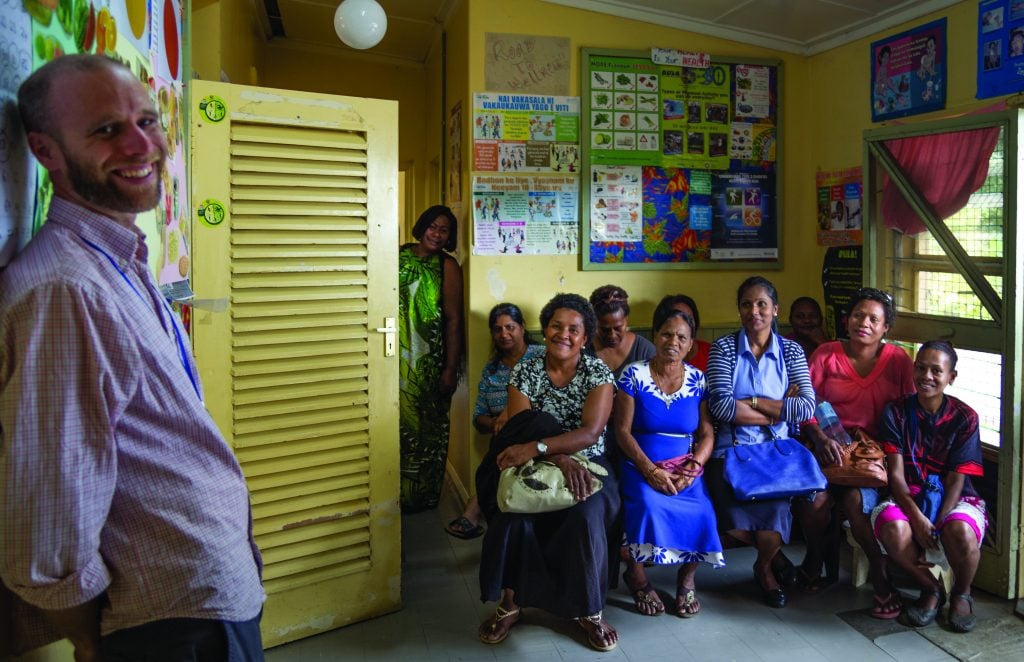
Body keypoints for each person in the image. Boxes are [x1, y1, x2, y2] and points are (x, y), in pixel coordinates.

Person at [0, 55, 264, 661]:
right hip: (168, 620)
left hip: (200, 591)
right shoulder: (66, 290)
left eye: (147, 120)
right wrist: (88, 638)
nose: (141, 144)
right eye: (105, 130)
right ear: (45, 152)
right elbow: (50, 514)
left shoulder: (118, 256)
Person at [477, 294, 620, 652]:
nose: (564, 334)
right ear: (546, 328)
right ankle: (511, 602)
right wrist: (557, 458)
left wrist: (546, 449)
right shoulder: (525, 369)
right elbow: (523, 427)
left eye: (574, 329)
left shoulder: (597, 373)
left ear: (585, 338)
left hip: (589, 461)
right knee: (513, 514)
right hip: (535, 460)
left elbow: (589, 433)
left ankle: (590, 610)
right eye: (557, 325)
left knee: (586, 512)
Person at [801, 288, 915, 615]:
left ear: (885, 328)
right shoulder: (825, 354)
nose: (863, 323)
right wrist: (821, 439)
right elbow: (806, 406)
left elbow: (908, 412)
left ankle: (880, 575)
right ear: (846, 320)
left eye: (873, 319)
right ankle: (815, 555)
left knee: (853, 499)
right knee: (815, 503)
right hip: (826, 445)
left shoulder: (898, 360)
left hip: (871, 457)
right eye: (858, 315)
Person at [705, 276, 815, 609]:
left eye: (762, 304)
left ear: (775, 310)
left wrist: (749, 402)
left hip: (777, 454)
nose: (754, 311)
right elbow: (721, 406)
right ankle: (777, 558)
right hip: (731, 451)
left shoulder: (792, 350)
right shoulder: (723, 348)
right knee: (729, 514)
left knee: (774, 515)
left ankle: (764, 568)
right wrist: (776, 408)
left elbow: (805, 406)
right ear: (739, 310)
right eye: (747, 304)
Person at [615, 307, 723, 618]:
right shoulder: (633, 375)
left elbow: (706, 433)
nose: (672, 342)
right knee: (648, 506)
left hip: (684, 467)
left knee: (703, 511)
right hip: (640, 465)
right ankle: (636, 576)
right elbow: (622, 432)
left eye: (681, 337)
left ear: (691, 345)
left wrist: (694, 467)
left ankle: (687, 579)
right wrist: (649, 470)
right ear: (654, 337)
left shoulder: (698, 380)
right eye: (666, 334)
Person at [872, 341, 985, 632]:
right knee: (894, 529)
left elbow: (957, 480)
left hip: (955, 497)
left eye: (937, 370)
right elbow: (895, 476)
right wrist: (917, 518)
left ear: (952, 377)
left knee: (959, 529)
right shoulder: (895, 412)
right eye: (921, 368)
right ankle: (932, 588)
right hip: (906, 495)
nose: (927, 376)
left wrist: (937, 522)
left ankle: (962, 593)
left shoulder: (965, 417)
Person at [446, 303, 544, 539]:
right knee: (504, 442)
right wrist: (495, 424)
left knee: (511, 435)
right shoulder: (492, 370)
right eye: (498, 329)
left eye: (510, 327)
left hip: (539, 428)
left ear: (522, 328)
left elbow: (549, 395)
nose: (504, 334)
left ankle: (474, 506)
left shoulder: (542, 355)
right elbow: (478, 418)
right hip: (503, 437)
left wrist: (510, 412)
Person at [399, 205, 464, 512]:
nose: (437, 235)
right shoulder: (397, 256)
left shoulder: (447, 267)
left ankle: (423, 498)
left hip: (430, 362)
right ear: (422, 226)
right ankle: (393, 493)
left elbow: (453, 320)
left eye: (445, 230)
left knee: (429, 431)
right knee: (396, 427)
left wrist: (450, 368)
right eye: (433, 227)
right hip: (394, 357)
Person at [588, 285, 655, 379]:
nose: (612, 335)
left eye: (618, 328)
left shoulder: (644, 351)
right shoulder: (583, 349)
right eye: (604, 329)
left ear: (626, 319)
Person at [655, 294, 712, 371]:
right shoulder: (651, 358)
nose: (684, 324)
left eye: (689, 319)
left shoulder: (710, 353)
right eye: (677, 317)